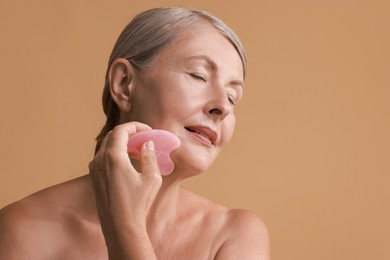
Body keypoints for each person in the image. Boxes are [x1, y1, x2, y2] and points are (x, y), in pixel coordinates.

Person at [0, 7, 270, 259]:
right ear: (124, 84)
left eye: (233, 97)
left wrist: (125, 226)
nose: (222, 106)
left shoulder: (234, 236)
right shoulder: (20, 232)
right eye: (199, 76)